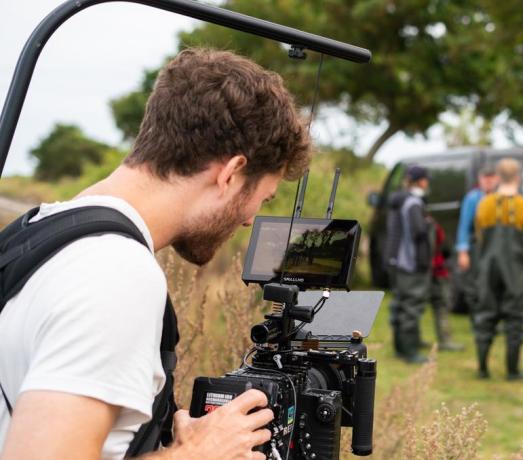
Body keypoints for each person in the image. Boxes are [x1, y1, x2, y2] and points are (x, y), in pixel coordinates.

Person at [0, 48, 311, 458]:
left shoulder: (41, 227)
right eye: (263, 198)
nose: (252, 219)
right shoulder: (115, 273)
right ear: (231, 173)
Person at [472, 158, 523, 380]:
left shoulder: (485, 204)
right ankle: (513, 370)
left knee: (485, 315)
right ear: (518, 178)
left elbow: (480, 234)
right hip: (516, 270)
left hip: (488, 267)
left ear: (498, 177)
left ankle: (482, 368)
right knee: (515, 318)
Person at [385, 165, 434, 364]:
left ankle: (400, 347)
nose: (428, 182)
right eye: (426, 179)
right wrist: (428, 223)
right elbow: (418, 232)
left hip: (396, 260)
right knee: (411, 307)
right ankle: (410, 352)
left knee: (399, 304)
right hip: (411, 263)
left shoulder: (400, 198)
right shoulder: (413, 203)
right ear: (420, 181)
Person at [455, 164, 498, 310]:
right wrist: (463, 252)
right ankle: (477, 316)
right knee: (474, 283)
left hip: (495, 246)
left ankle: (490, 315)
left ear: (497, 179)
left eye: (491, 178)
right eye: (485, 178)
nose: (488, 181)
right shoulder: (473, 198)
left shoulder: (500, 198)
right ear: (480, 179)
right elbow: (464, 226)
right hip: (477, 246)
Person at [427, 223, 464, 351]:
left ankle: (444, 339)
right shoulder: (432, 224)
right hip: (437, 271)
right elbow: (442, 246)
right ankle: (445, 340)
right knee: (441, 305)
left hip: (431, 271)